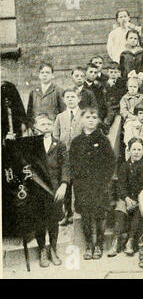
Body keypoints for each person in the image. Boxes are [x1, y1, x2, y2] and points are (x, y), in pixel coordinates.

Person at [69, 107, 115, 260]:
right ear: (82, 120)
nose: (90, 120)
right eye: (88, 117)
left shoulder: (103, 140)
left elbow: (110, 162)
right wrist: (78, 180)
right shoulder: (76, 141)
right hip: (82, 185)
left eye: (94, 117)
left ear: (98, 121)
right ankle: (89, 245)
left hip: (99, 185)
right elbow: (72, 163)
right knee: (86, 215)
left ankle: (99, 246)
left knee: (100, 215)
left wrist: (104, 181)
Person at [33, 114, 70, 267]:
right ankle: (42, 249)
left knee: (53, 220)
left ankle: (53, 249)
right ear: (35, 127)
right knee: (39, 220)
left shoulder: (59, 144)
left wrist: (64, 184)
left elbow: (66, 166)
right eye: (42, 124)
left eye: (48, 124)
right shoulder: (31, 145)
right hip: (37, 188)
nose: (46, 126)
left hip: (55, 188)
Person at [107, 138, 143, 257]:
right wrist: (126, 198)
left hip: (140, 200)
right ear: (129, 151)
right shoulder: (124, 166)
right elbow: (120, 184)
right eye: (134, 149)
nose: (136, 152)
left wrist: (137, 200)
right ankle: (116, 242)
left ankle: (130, 242)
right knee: (120, 210)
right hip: (126, 198)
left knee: (138, 213)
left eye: (139, 149)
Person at [53, 88, 84, 226]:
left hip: (80, 156)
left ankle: (79, 213)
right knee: (66, 184)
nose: (70, 99)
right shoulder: (60, 117)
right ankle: (67, 214)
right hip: (64, 157)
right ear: (64, 100)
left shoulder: (85, 115)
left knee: (79, 185)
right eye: (68, 97)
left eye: (73, 96)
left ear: (79, 98)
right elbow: (55, 136)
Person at [119, 29, 143, 95]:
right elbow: (122, 68)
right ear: (127, 39)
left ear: (138, 40)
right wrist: (127, 74)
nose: (133, 40)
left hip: (141, 80)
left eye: (135, 38)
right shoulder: (124, 54)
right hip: (128, 80)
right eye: (131, 38)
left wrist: (142, 73)